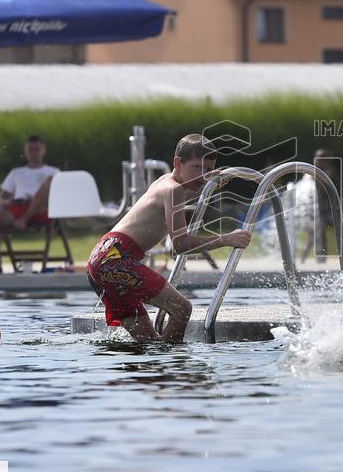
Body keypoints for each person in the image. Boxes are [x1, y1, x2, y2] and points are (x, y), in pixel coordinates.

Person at [86, 134, 251, 343]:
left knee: (148, 343)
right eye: (197, 168)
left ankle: (157, 370)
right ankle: (174, 367)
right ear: (177, 163)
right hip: (117, 260)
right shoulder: (173, 190)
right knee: (182, 308)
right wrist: (227, 238)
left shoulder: (165, 183)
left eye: (208, 169)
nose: (203, 174)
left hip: (101, 258)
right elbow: (180, 245)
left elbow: (183, 194)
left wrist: (207, 182)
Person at [0, 135, 60, 272]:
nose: (34, 152)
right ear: (26, 151)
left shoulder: (53, 172)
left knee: (48, 183)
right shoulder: (16, 173)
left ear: (43, 151)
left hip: (42, 210)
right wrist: (3, 202)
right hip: (18, 207)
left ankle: (25, 219)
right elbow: (2, 199)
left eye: (37, 149)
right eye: (30, 149)